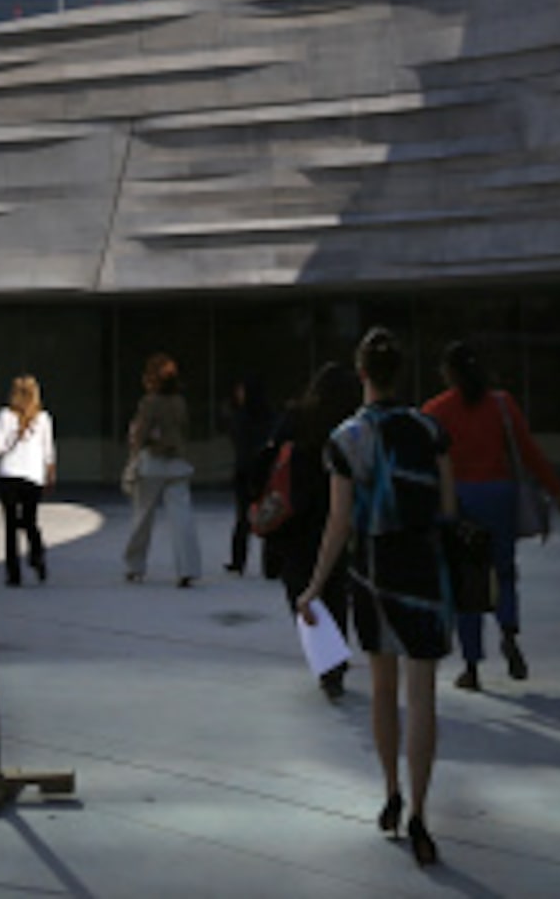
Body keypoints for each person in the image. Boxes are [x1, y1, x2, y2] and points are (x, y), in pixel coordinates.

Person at [297, 327, 456, 868]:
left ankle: (390, 791)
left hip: (372, 576)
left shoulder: (347, 439)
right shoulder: (430, 430)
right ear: (400, 373)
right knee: (424, 697)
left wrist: (316, 585)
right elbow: (448, 510)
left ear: (362, 373)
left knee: (384, 691)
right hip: (426, 577)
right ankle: (421, 815)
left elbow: (339, 523)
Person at [422, 342, 560, 691]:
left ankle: (472, 667)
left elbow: (426, 461)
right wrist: (555, 487)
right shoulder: (502, 404)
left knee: (468, 583)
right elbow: (527, 449)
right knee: (503, 573)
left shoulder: (435, 410)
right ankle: (509, 632)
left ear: (448, 373)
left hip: (461, 501)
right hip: (500, 497)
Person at [263, 360, 359, 699]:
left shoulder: (295, 419)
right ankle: (335, 665)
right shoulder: (349, 426)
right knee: (335, 585)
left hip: (295, 516)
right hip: (333, 513)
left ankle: (326, 659)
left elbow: (269, 457)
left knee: (300, 590)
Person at [122, 351, 202, 585]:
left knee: (142, 518)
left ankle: (135, 566)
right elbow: (185, 429)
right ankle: (188, 568)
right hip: (177, 464)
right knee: (182, 519)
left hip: (152, 464)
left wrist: (134, 450)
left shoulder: (149, 402)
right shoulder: (179, 402)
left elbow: (140, 434)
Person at [0, 374, 57, 586]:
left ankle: (14, 573)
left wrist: (12, 437)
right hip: (30, 475)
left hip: (10, 473)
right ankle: (36, 555)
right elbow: (48, 450)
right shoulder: (42, 418)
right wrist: (50, 472)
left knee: (11, 525)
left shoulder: (5, 416)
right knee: (29, 521)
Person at [222, 375, 276, 576]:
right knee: (269, 517)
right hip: (265, 471)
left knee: (243, 518)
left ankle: (238, 561)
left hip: (245, 472)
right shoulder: (269, 417)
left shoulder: (240, 417)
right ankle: (270, 564)